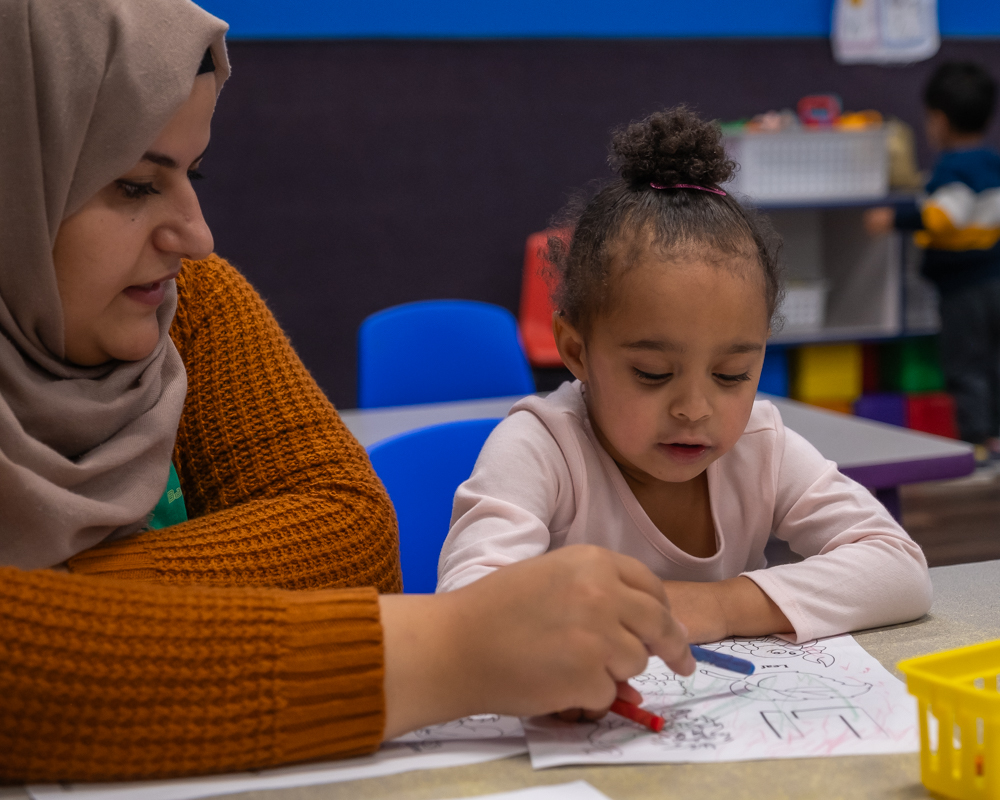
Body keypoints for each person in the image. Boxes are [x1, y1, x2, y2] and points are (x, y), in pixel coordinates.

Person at [0, 0, 694, 782]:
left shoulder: (186, 302)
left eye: (193, 174)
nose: (196, 236)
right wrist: (454, 650)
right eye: (132, 185)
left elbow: (347, 539)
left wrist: (54, 617)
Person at [437, 108, 933, 656]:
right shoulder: (542, 449)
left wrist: (720, 605)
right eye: (653, 374)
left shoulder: (758, 449)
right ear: (576, 350)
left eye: (731, 374)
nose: (695, 409)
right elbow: (468, 608)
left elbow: (900, 569)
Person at [865, 62, 1000, 460]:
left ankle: (978, 444)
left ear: (938, 120)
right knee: (993, 362)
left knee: (965, 365)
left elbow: (944, 216)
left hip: (964, 288)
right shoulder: (991, 162)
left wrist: (893, 219)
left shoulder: (952, 168)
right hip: (995, 278)